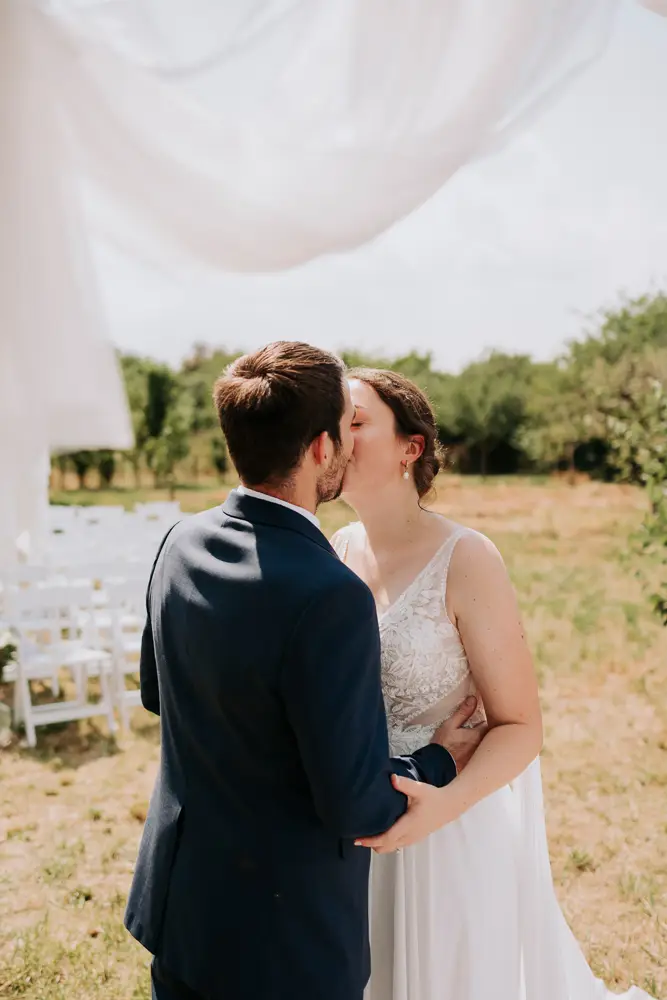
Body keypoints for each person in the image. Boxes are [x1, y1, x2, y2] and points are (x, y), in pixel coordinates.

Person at [124, 342, 485, 1000]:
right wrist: (438, 760)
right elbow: (357, 805)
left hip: (182, 913)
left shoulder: (179, 542)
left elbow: (158, 694)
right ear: (321, 449)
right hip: (283, 940)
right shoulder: (328, 592)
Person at [332, 367, 655, 1000]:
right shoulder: (336, 548)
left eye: (357, 422)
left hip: (447, 831)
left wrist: (442, 807)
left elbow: (521, 726)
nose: (337, 437)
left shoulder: (466, 557)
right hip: (357, 824)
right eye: (333, 424)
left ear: (410, 448)